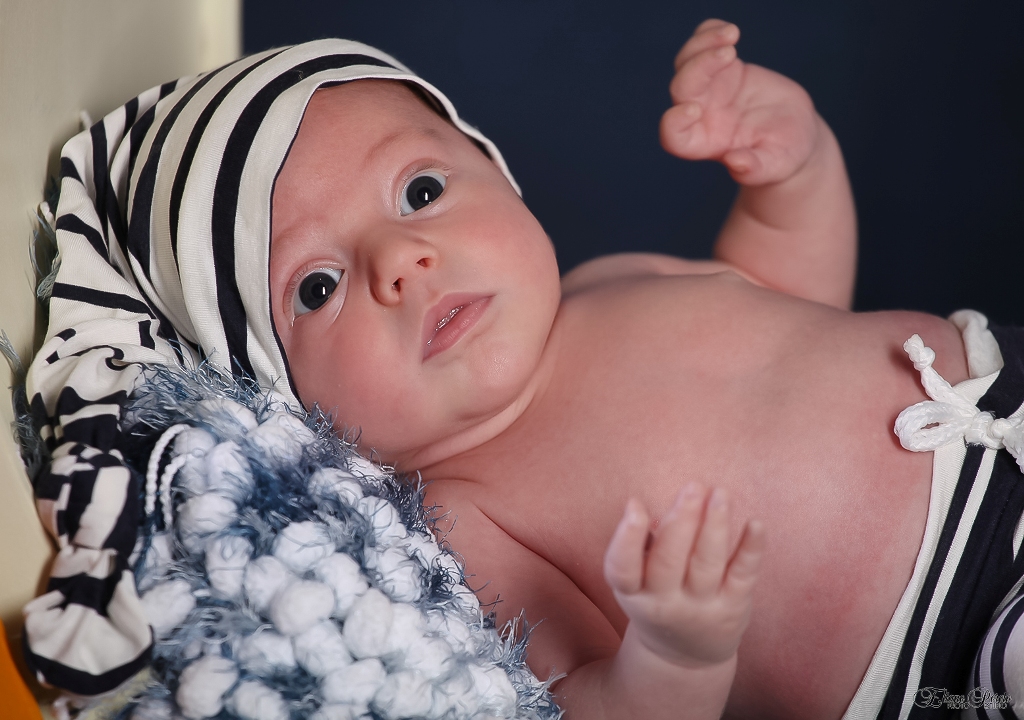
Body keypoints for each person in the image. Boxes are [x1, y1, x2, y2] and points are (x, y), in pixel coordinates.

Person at [24, 19, 1024, 720]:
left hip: (997, 382)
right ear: (285, 396)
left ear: (494, 172)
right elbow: (591, 702)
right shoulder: (466, 516)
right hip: (956, 634)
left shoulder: (611, 281)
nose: (401, 261)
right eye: (316, 287)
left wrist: (793, 172)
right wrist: (675, 653)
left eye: (421, 189)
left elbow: (793, 297)